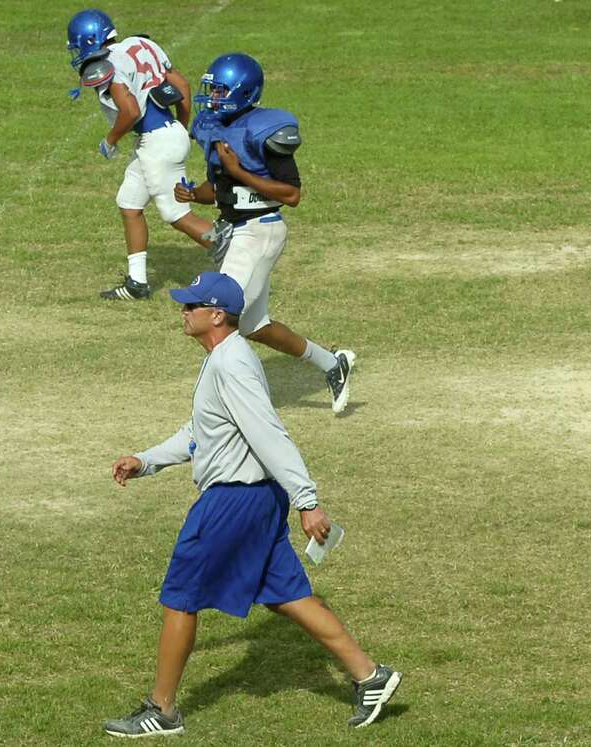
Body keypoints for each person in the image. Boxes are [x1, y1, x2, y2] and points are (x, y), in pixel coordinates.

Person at [104, 271, 401, 738]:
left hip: (232, 502)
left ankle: (162, 710)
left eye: (190, 307)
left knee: (180, 597)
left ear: (216, 315)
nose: (183, 313)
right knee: (287, 594)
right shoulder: (224, 358)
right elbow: (201, 433)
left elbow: (268, 433)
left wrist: (308, 501)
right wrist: (147, 461)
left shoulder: (231, 364)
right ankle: (371, 676)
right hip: (256, 500)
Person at [176, 53, 356, 413]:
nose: (211, 98)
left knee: (217, 311)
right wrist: (196, 194)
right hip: (238, 231)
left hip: (261, 230)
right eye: (210, 90)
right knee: (254, 325)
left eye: (220, 91)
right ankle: (333, 364)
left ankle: (228, 395)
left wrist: (239, 170)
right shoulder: (215, 125)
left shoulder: (267, 131)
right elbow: (220, 186)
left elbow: (291, 195)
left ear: (243, 93)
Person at [66, 8, 214, 300]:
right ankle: (137, 284)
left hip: (156, 142)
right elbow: (182, 87)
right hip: (164, 136)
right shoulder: (140, 44)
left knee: (177, 215)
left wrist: (110, 140)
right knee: (129, 202)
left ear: (89, 40)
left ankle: (238, 256)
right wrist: (180, 130)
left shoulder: (107, 64)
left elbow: (130, 111)